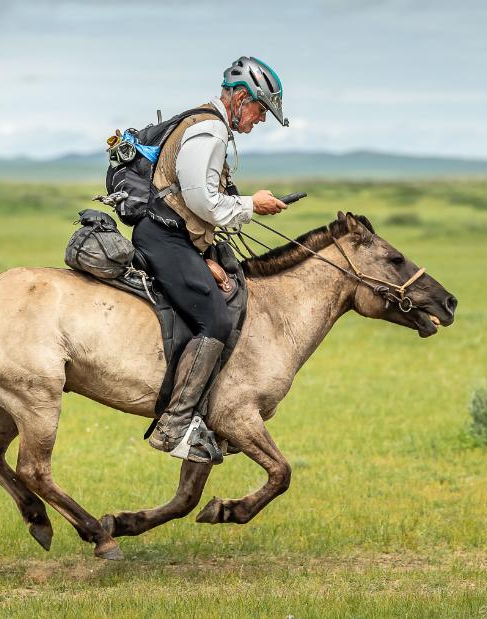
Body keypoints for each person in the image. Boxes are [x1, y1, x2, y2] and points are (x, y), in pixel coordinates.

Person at [133, 56, 290, 462]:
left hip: (177, 237)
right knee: (215, 319)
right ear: (240, 97)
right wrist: (251, 205)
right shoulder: (210, 129)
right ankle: (176, 427)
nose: (260, 120)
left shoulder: (207, 125)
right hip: (166, 238)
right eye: (260, 110)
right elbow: (203, 200)